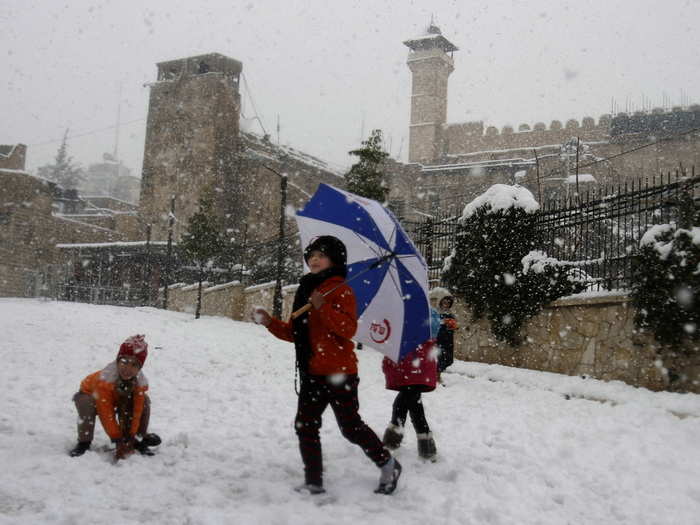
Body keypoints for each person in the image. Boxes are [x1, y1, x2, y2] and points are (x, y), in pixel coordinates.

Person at [252, 235, 401, 495]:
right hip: (312, 371)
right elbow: (295, 334)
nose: (314, 259)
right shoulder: (307, 290)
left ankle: (388, 463)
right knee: (305, 425)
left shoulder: (341, 289)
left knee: (351, 428)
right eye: (311, 256)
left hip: (339, 372)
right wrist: (270, 323)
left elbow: (348, 328)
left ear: (334, 260)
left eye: (321, 255)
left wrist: (323, 308)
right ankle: (313, 480)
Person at [69, 334, 161, 460]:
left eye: (134, 365)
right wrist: (117, 439)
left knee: (144, 400)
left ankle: (139, 438)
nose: (128, 368)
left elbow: (136, 411)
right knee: (86, 403)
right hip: (91, 395)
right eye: (124, 361)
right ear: (117, 360)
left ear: (139, 369)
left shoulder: (139, 383)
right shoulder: (105, 380)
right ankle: (84, 442)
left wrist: (131, 437)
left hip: (116, 398)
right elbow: (106, 412)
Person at [381, 307, 440, 461]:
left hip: (416, 370)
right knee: (414, 406)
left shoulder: (425, 311)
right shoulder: (401, 311)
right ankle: (426, 447)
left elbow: (432, 328)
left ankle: (392, 441)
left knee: (403, 404)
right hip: (411, 370)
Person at [436, 295, 458, 383]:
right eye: (445, 302)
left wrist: (453, 326)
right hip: (438, 339)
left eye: (448, 303)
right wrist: (442, 322)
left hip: (448, 340)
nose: (446, 304)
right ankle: (437, 377)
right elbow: (432, 323)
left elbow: (454, 326)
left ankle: (437, 374)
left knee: (448, 359)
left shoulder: (451, 314)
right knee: (439, 358)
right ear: (441, 302)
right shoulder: (436, 312)